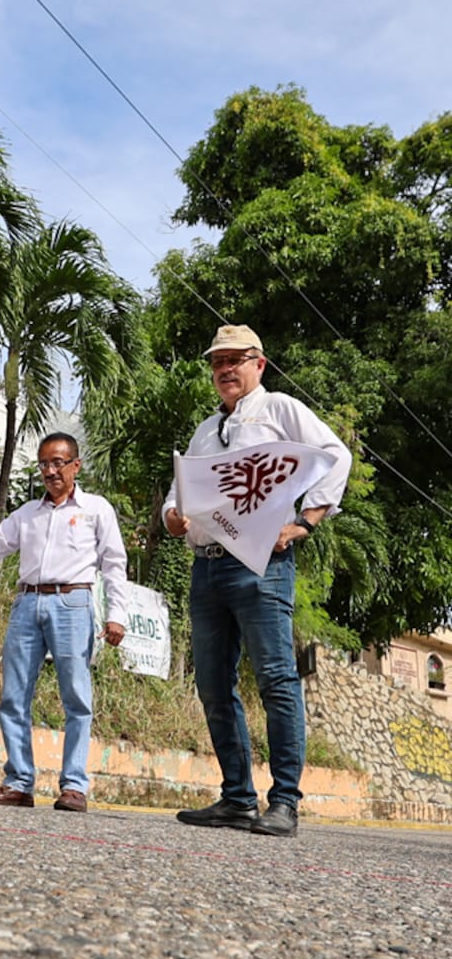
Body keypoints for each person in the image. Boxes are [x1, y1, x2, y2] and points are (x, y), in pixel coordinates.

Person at [163, 325, 352, 838]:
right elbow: (179, 490)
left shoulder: (281, 410)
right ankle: (236, 798)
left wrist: (305, 522)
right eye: (217, 362)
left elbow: (337, 456)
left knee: (275, 680)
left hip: (261, 566)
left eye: (235, 360)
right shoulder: (206, 429)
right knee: (212, 687)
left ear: (258, 364)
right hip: (207, 567)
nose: (225, 369)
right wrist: (172, 516)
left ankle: (285, 801)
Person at [0, 432, 128, 813]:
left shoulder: (96, 509)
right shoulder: (28, 513)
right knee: (14, 696)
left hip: (73, 601)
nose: (50, 471)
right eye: (43, 464)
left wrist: (117, 614)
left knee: (76, 697)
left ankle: (73, 786)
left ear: (76, 465)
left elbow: (114, 564)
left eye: (58, 463)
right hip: (27, 602)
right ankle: (19, 781)